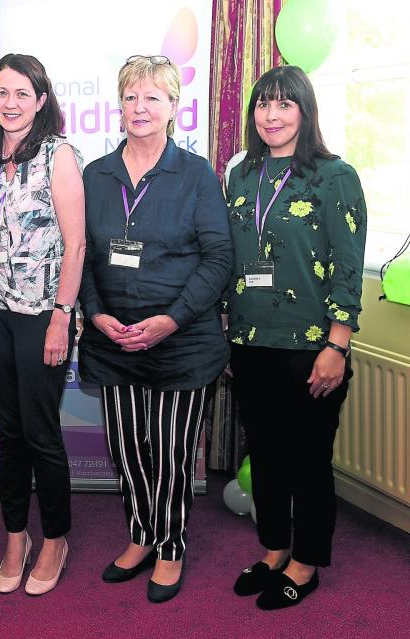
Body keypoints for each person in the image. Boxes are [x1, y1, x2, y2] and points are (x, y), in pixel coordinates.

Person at [78, 55, 233, 603]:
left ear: (174, 107)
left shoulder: (196, 175)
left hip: (182, 342)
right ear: (118, 106)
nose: (140, 108)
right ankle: (142, 534)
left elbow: (218, 260)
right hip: (112, 340)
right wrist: (96, 315)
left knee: (169, 451)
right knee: (127, 448)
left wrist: (169, 321)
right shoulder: (95, 175)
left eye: (153, 97)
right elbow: (83, 256)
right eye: (130, 97)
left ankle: (171, 544)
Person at [224, 65, 366, 610]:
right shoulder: (242, 175)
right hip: (252, 341)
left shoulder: (334, 176)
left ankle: (305, 562)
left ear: (305, 112)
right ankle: (274, 547)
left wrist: (337, 345)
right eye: (263, 105)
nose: (271, 115)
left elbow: (348, 268)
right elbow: (235, 259)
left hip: (313, 347)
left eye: (285, 104)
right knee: (266, 453)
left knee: (307, 459)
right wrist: (232, 335)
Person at [0, 53, 85, 597]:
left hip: (41, 315)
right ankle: (17, 536)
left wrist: (63, 316)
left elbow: (76, 244)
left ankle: (55, 537)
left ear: (40, 100)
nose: (10, 103)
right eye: (1, 92)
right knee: (8, 433)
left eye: (21, 93)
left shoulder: (58, 155)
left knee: (40, 432)